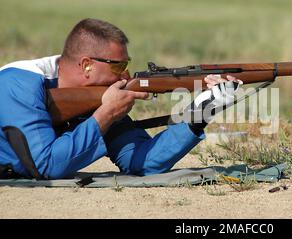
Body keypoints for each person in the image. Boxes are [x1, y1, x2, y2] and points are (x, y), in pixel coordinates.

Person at [0, 18, 240, 179]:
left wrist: (199, 114)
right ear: (86, 66)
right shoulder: (18, 85)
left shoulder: (97, 95)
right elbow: (44, 166)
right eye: (119, 65)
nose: (125, 74)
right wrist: (105, 115)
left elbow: (141, 162)